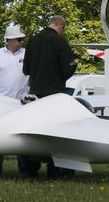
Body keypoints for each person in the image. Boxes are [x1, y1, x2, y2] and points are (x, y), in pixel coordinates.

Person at [22, 16, 78, 177]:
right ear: (60, 26)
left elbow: (26, 70)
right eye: (64, 28)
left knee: (33, 130)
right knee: (56, 133)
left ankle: (29, 167)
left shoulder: (32, 41)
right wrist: (73, 66)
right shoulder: (59, 42)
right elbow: (67, 68)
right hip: (54, 93)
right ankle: (55, 169)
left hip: (35, 92)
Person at [0, 24, 31, 176]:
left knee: (23, 137)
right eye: (19, 39)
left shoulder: (27, 54)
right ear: (10, 40)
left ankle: (25, 170)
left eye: (22, 39)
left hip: (21, 103)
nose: (22, 42)